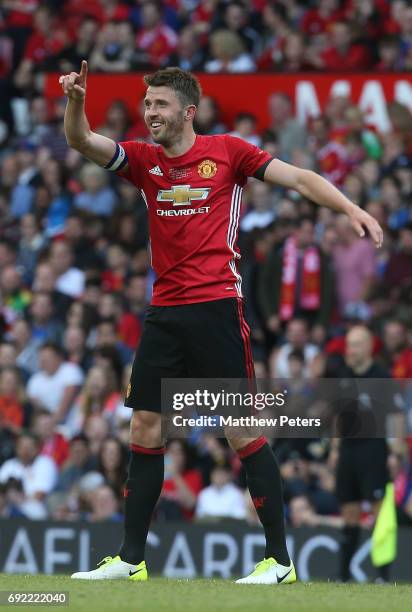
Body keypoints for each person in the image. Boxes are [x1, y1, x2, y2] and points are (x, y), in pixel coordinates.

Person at [60, 61, 382, 584]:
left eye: (160, 104)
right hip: (164, 311)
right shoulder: (144, 161)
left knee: (239, 428)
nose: (150, 113)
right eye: (147, 105)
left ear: (189, 111)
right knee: (144, 424)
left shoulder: (228, 153)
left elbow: (298, 177)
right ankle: (131, 559)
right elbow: (82, 142)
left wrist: (349, 207)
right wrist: (75, 102)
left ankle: (279, 562)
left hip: (216, 307)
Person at [333, 325, 404, 582]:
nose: (350, 350)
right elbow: (339, 417)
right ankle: (342, 576)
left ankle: (383, 575)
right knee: (349, 511)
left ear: (368, 346)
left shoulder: (382, 376)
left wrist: (395, 451)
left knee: (379, 511)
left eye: (355, 344)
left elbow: (396, 416)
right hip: (349, 451)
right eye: (348, 344)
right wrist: (335, 448)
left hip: (374, 450)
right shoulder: (342, 376)